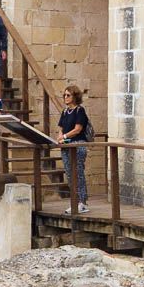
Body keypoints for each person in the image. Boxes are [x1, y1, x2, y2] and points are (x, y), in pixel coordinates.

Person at [55, 84, 91, 214]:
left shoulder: (79, 110)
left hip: (77, 145)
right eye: (64, 95)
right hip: (66, 146)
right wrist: (60, 137)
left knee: (78, 172)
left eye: (68, 95)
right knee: (69, 174)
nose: (65, 97)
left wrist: (64, 136)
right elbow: (61, 128)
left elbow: (78, 129)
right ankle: (75, 201)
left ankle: (82, 202)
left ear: (75, 96)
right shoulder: (65, 111)